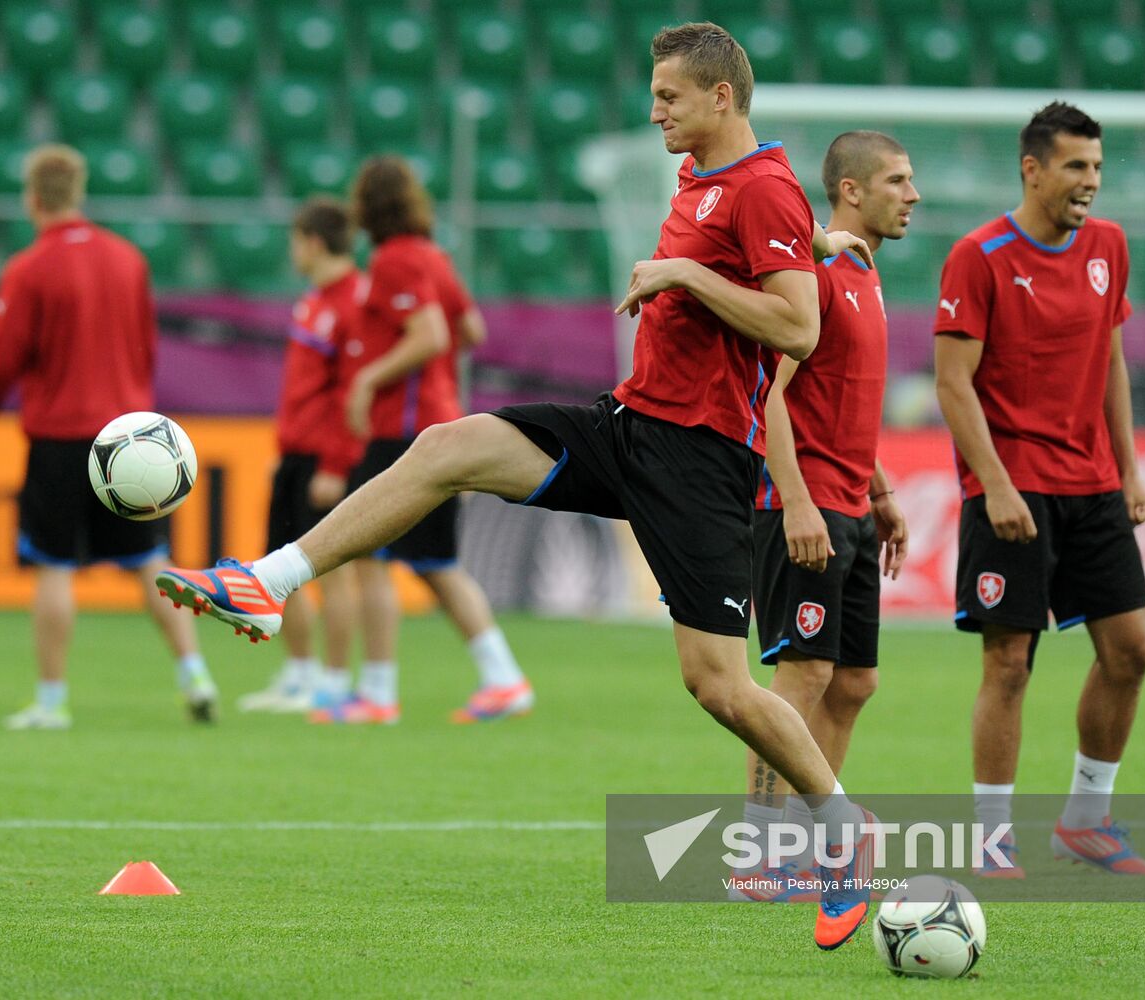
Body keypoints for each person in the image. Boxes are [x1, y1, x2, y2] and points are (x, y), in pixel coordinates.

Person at [158, 22, 875, 948]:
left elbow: (799, 331)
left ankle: (842, 828)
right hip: (632, 424)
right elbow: (765, 245)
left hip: (700, 459)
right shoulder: (713, 182)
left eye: (669, 95)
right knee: (447, 446)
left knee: (720, 686)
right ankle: (271, 582)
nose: (653, 109)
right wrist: (808, 239)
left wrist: (688, 273)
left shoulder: (762, 183)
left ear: (721, 98)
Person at [934, 102, 1145, 877]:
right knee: (1009, 663)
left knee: (1131, 652)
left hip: (1092, 486)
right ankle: (991, 836)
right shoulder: (980, 254)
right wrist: (994, 485)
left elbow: (1113, 360)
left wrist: (1129, 470)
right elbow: (953, 383)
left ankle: (1086, 822)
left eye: (1096, 167)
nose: (1090, 182)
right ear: (1032, 169)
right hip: (1013, 490)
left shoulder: (1109, 247)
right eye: (1075, 167)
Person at [0, 144, 214, 729]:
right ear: (78, 192)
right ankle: (195, 673)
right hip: (129, 439)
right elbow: (147, 349)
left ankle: (51, 702)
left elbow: (3, 361)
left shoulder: (29, 269)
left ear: (32, 199)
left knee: (53, 568)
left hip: (61, 439)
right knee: (151, 561)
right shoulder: (128, 260)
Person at [734, 131, 917, 901]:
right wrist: (799, 498)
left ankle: (817, 849)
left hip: (849, 506)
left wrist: (879, 491)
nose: (912, 195)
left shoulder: (867, 273)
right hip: (795, 507)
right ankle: (757, 854)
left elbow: (839, 397)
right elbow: (768, 395)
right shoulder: (812, 274)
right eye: (898, 181)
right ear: (849, 191)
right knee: (803, 673)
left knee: (854, 682)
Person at [302, 155, 533, 726]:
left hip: (403, 428)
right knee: (434, 563)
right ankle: (503, 678)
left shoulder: (393, 260)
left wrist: (370, 376)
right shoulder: (433, 257)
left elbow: (429, 334)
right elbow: (468, 329)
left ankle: (378, 693)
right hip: (440, 420)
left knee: (369, 555)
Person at [238, 197, 364, 714]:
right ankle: (301, 672)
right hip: (295, 452)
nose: (293, 252)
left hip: (324, 458)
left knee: (331, 571)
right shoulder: (314, 301)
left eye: (295, 241)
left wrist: (336, 464)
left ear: (312, 241)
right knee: (278, 568)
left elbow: (351, 393)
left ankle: (334, 681)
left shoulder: (354, 302)